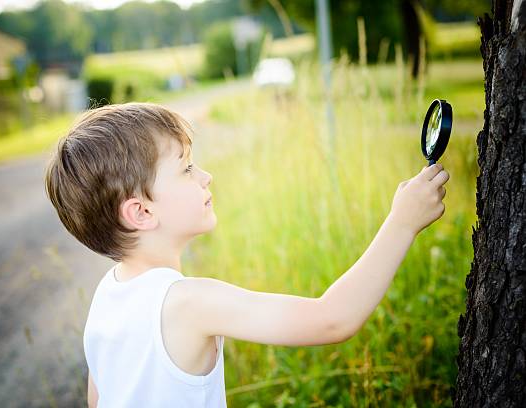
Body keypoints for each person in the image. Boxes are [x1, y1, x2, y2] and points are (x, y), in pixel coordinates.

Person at [44, 102, 450, 408]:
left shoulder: (106, 296)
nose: (206, 176)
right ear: (142, 212)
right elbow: (332, 319)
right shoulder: (189, 302)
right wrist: (402, 223)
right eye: (186, 169)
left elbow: (99, 399)